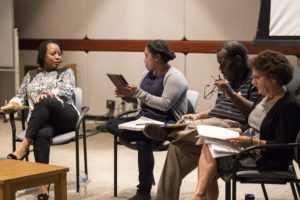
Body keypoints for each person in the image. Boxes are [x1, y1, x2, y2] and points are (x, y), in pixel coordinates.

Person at [143, 41, 259, 200]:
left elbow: (254, 113)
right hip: (212, 124)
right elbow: (218, 108)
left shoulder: (256, 79)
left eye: (223, 63)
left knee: (202, 127)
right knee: (176, 149)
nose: (220, 68)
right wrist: (199, 115)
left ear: (238, 60)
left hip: (234, 128)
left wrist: (231, 93)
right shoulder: (230, 79)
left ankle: (170, 132)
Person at [189, 50, 300, 200]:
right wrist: (240, 130)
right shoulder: (264, 96)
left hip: (266, 157)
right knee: (208, 144)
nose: (253, 82)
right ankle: (199, 195)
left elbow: (282, 145)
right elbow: (255, 124)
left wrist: (250, 141)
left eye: (257, 78)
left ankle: (198, 195)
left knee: (209, 157)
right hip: (250, 146)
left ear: (273, 78)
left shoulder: (288, 106)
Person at [106, 39, 188, 200]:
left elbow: (164, 105)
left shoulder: (175, 77)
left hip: (167, 124)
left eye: (146, 56)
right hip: (143, 120)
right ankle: (145, 133)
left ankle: (143, 191)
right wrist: (127, 96)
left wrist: (138, 93)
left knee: (145, 141)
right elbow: (142, 101)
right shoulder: (146, 74)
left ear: (157, 57)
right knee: (110, 124)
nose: (144, 60)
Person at [4, 40, 79, 200]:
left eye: (59, 53)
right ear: (42, 55)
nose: (58, 57)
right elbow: (21, 95)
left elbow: (66, 91)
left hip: (65, 117)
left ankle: (24, 146)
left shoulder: (66, 72)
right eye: (53, 53)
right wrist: (13, 103)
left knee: (43, 101)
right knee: (41, 135)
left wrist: (48, 94)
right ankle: (42, 187)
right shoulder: (30, 75)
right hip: (43, 123)